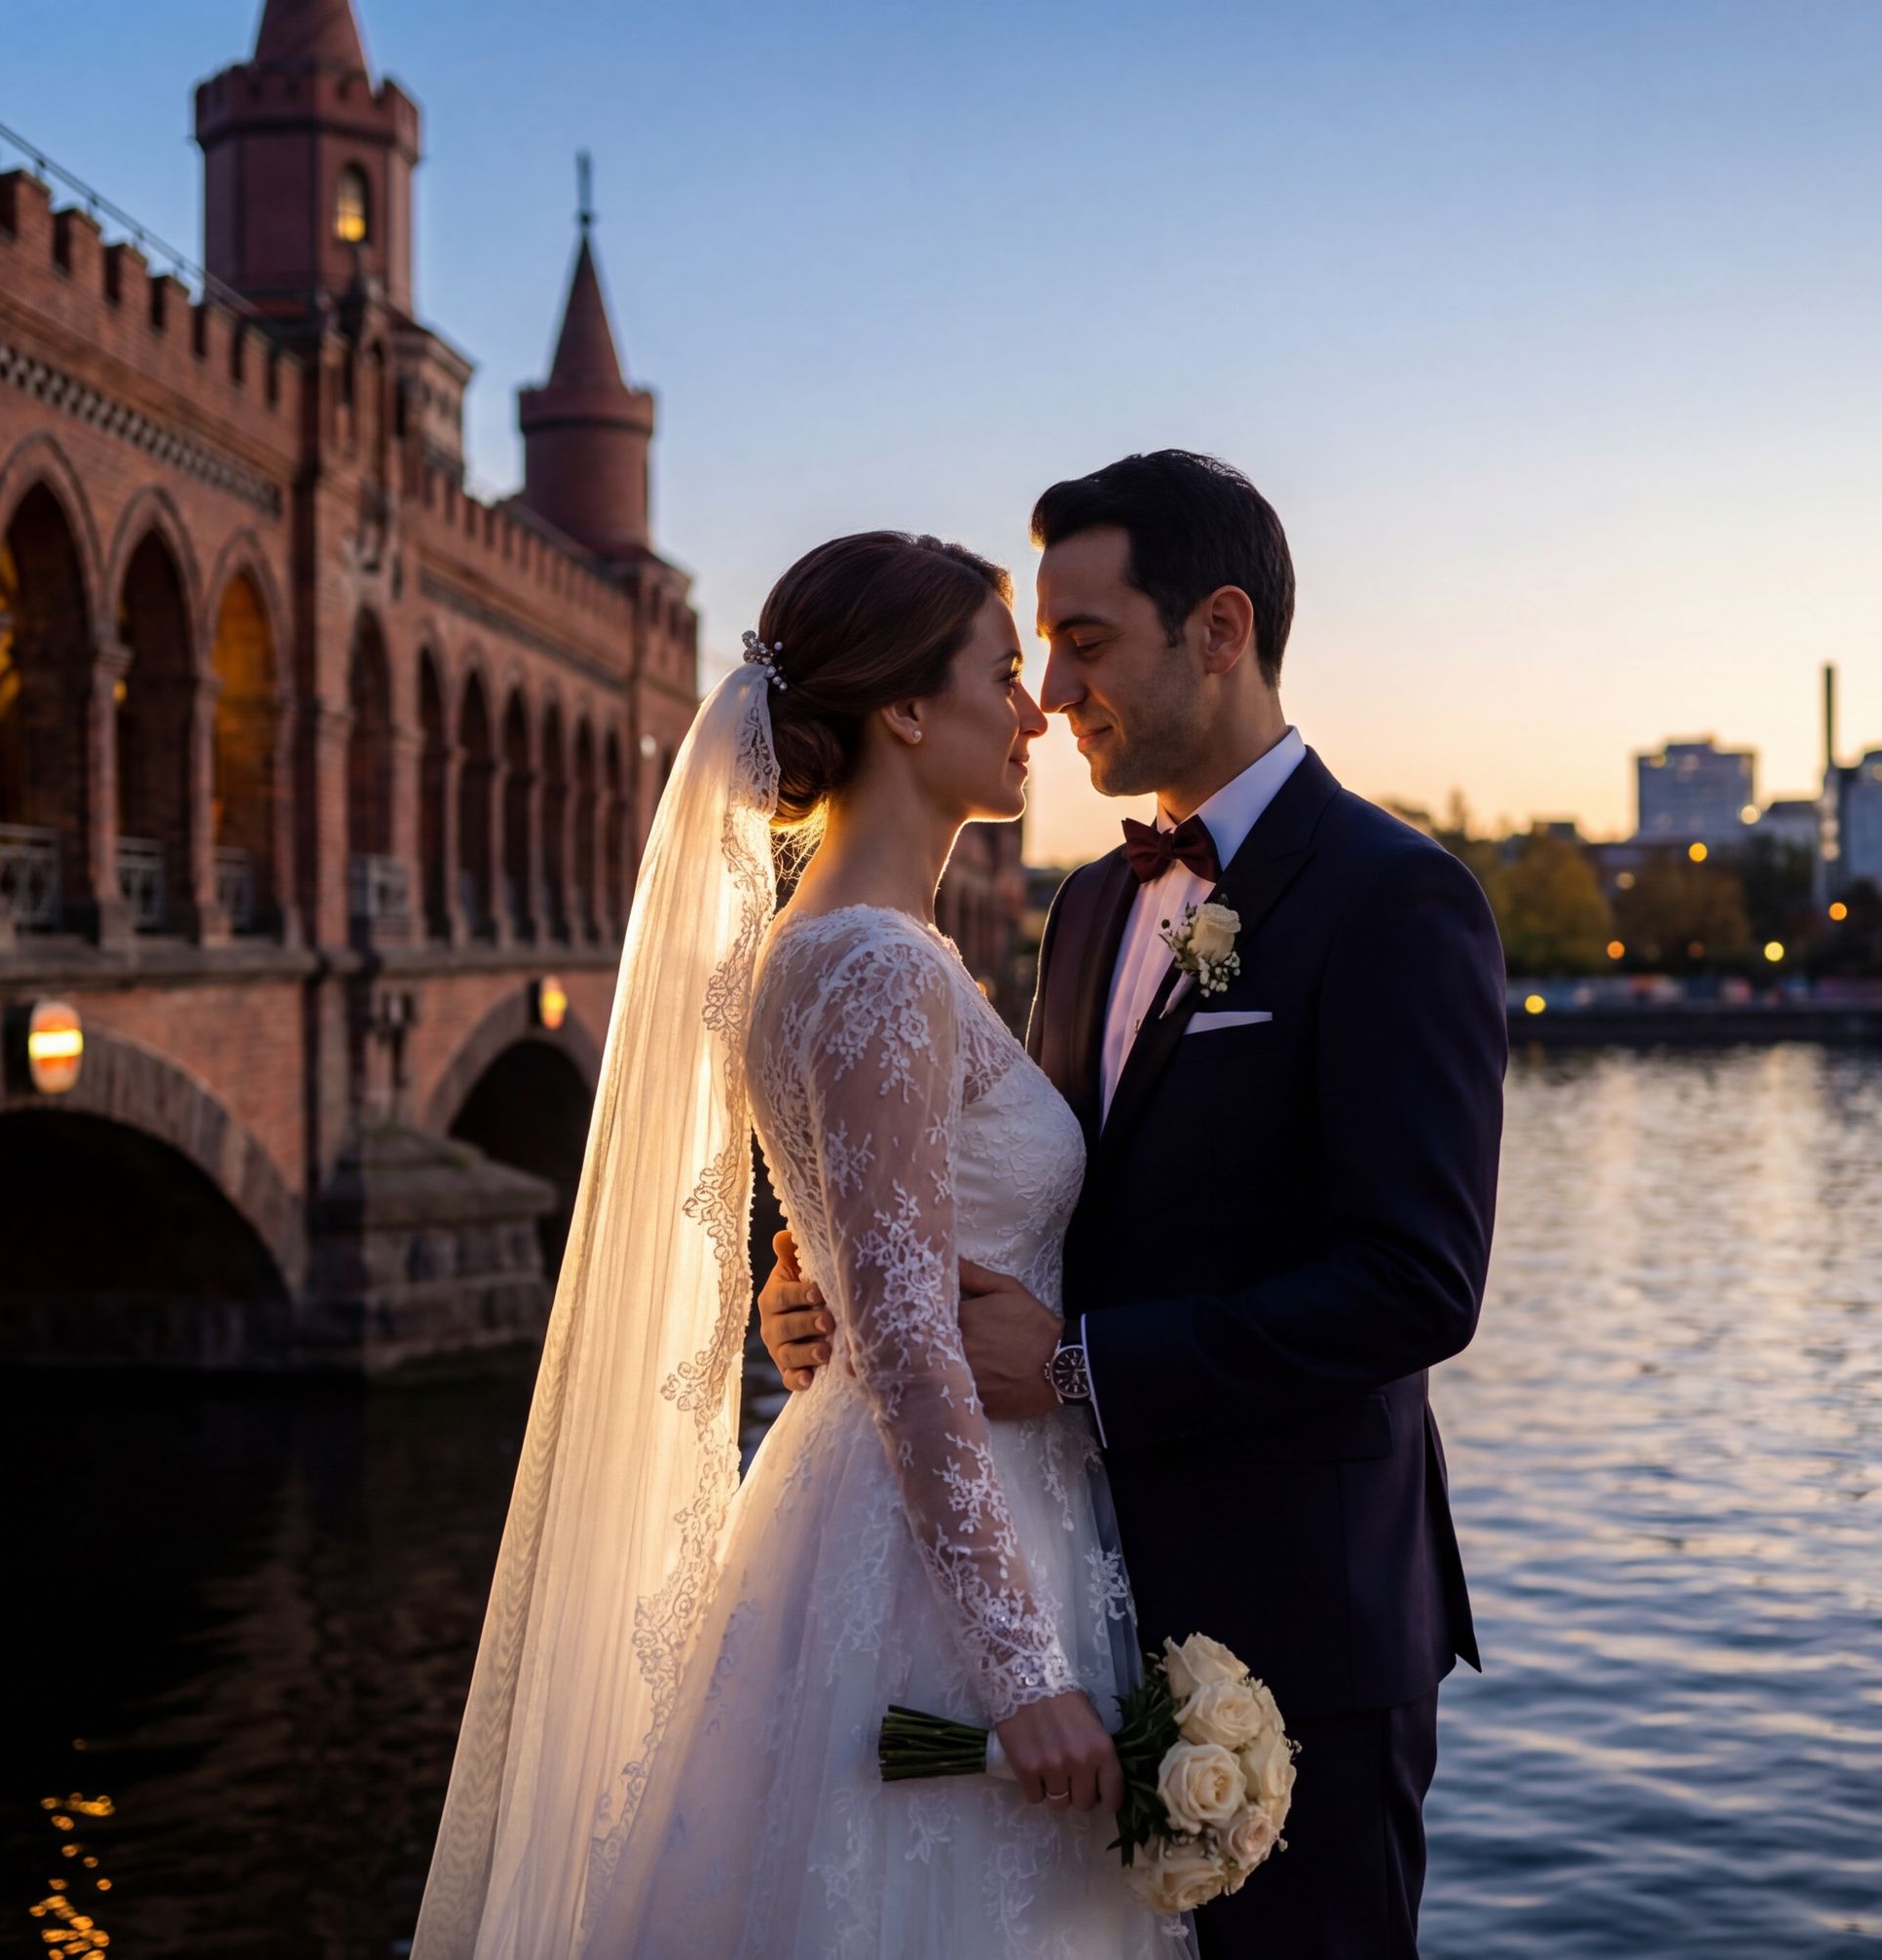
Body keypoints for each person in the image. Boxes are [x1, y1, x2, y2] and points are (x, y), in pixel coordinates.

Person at [763, 452, 1507, 1958]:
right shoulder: (1092, 906)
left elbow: (1418, 1280)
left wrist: (1085, 1367)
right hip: (1073, 1592)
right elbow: (1034, 1205)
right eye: (1034, 644)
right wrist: (836, 1283)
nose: (1052, 686)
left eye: (1087, 640)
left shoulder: (1395, 897)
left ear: (1219, 629)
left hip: (1304, 1622)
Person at [415, 531, 1175, 1957]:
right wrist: (1021, 1674)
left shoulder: (841, 944)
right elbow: (904, 1342)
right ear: (904, 708)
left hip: (888, 1506)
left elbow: (856, 1247)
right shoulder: (878, 961)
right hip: (934, 1558)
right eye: (1003, 675)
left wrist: (797, 1281)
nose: (1034, 714)